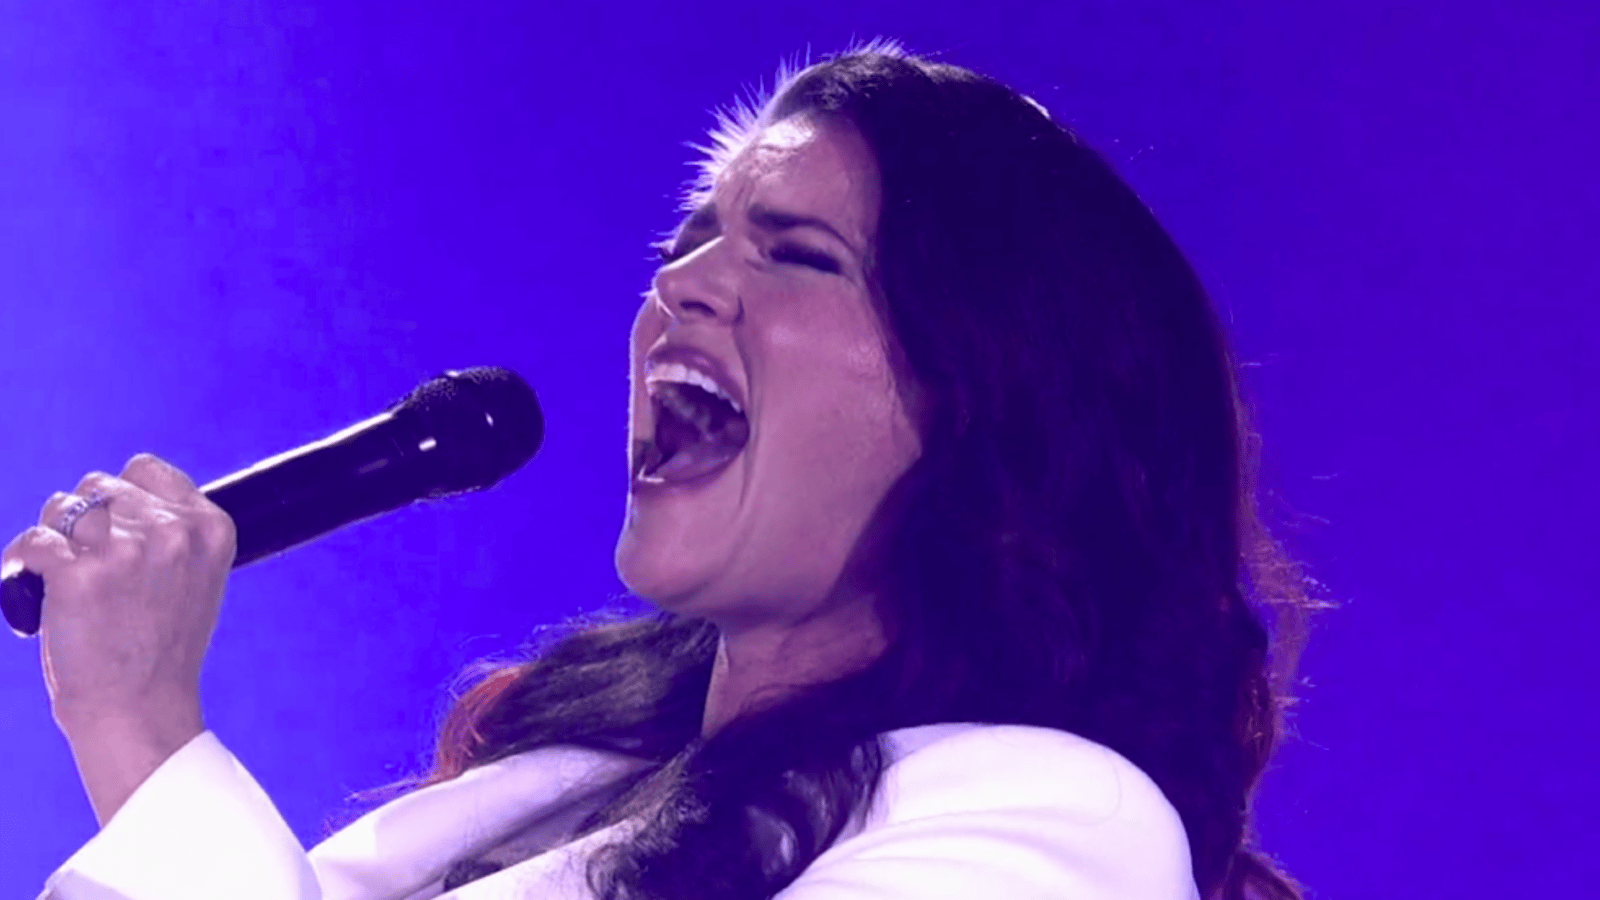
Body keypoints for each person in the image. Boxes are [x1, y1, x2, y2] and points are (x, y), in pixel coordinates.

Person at [6, 43, 1320, 900]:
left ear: (987, 405)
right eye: (688, 243)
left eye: (795, 254)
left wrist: (139, 725)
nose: (680, 288)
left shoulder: (1053, 821)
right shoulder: (550, 785)